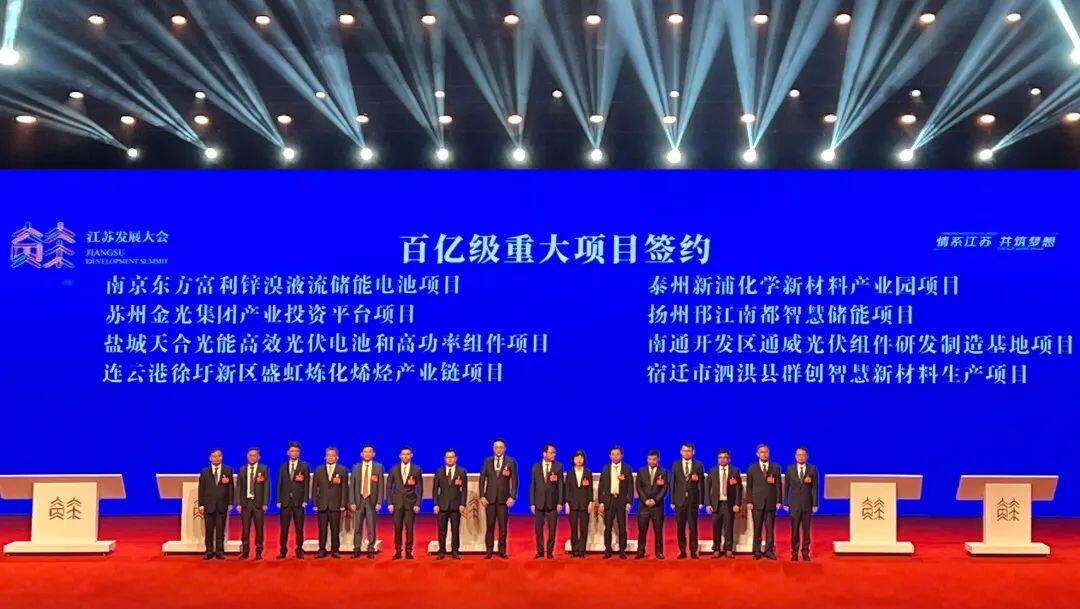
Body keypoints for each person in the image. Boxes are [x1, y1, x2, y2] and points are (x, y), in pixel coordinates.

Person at [479, 438, 517, 559]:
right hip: (489, 499)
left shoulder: (510, 462)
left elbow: (514, 481)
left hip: (503, 500)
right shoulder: (487, 461)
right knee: (489, 526)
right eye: (496, 447)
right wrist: (482, 496)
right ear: (493, 448)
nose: (498, 450)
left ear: (504, 448)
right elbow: (482, 480)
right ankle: (489, 550)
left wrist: (512, 496)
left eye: (501, 447)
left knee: (503, 527)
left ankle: (502, 551)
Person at [746, 443, 783, 560]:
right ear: (757, 454)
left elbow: (778, 486)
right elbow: (749, 487)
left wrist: (778, 500)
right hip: (757, 503)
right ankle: (757, 551)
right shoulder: (752, 468)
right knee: (757, 528)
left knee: (770, 529)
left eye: (766, 452)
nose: (764, 454)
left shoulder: (775, 467)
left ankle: (769, 550)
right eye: (762, 452)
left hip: (771, 503)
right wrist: (749, 501)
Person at [670, 442, 706, 559]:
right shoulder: (675, 465)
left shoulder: (698, 465)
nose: (687, 453)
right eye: (684, 451)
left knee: (693, 528)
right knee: (680, 528)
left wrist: (701, 501)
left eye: (689, 451)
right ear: (681, 452)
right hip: (679, 501)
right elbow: (672, 483)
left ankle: (693, 551)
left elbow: (701, 484)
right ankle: (682, 551)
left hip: (693, 501)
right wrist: (672, 500)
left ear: (693, 452)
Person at [197, 448, 234, 560]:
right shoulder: (204, 471)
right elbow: (201, 489)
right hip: (208, 505)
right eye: (214, 456)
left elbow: (231, 488)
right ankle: (209, 551)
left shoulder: (228, 470)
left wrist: (230, 502)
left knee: (220, 530)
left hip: (222, 505)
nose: (217, 458)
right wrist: (201, 504)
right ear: (210, 458)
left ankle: (219, 551)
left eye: (219, 456)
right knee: (209, 530)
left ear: (221, 457)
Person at [348, 444, 384, 559]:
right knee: (357, 527)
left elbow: (381, 486)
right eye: (365, 452)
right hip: (358, 501)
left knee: (371, 527)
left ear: (373, 454)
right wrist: (352, 502)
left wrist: (379, 501)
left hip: (371, 501)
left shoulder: (378, 467)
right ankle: (357, 548)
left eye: (369, 452)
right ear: (361, 454)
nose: (367, 454)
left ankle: (371, 548)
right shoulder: (356, 467)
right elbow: (352, 486)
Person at [597, 445, 633, 559]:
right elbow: (601, 487)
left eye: (617, 454)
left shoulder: (626, 469)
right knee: (608, 527)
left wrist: (629, 502)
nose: (615, 456)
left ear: (621, 455)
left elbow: (630, 487)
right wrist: (601, 502)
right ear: (609, 456)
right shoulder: (605, 468)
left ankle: (622, 550)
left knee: (622, 526)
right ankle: (608, 550)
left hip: (621, 501)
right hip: (609, 500)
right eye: (613, 454)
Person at [312, 446, 348, 559]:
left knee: (335, 529)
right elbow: (314, 488)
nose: (330, 457)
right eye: (328, 455)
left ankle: (335, 550)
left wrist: (343, 504)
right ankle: (322, 549)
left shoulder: (342, 470)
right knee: (322, 529)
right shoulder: (318, 469)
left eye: (333, 455)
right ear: (325, 457)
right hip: (322, 504)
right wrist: (314, 503)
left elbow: (344, 488)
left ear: (337, 457)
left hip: (336, 505)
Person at [705, 448, 742, 559]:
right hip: (716, 505)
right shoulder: (712, 471)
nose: (722, 459)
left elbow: (738, 489)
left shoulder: (734, 471)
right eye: (720, 457)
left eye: (725, 457)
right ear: (717, 459)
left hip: (729, 504)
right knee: (716, 528)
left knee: (728, 528)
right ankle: (716, 549)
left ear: (729, 459)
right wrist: (708, 504)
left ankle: (728, 549)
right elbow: (707, 489)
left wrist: (737, 503)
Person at [387, 445, 422, 559]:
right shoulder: (393, 469)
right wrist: (390, 503)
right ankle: (398, 550)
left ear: (411, 455)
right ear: (400, 456)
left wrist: (417, 504)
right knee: (398, 528)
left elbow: (420, 488)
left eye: (408, 454)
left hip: (410, 503)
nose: (405, 456)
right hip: (397, 503)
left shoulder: (416, 469)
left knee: (409, 528)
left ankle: (408, 551)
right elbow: (388, 487)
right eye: (403, 454)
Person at [784, 446, 819, 561]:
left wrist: (815, 503)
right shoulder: (790, 469)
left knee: (806, 530)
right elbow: (786, 487)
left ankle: (805, 552)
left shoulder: (812, 469)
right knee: (794, 530)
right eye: (799, 455)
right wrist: (786, 502)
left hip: (807, 504)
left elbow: (815, 488)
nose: (801, 457)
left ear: (807, 456)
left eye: (803, 455)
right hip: (794, 504)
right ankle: (794, 552)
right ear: (795, 456)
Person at [276, 441, 310, 559]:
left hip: (298, 502)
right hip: (285, 501)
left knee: (299, 528)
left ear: (299, 453)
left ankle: (299, 550)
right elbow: (279, 483)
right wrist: (278, 500)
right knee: (284, 528)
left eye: (296, 451)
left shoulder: (304, 466)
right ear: (287, 452)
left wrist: (305, 500)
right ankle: (283, 550)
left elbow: (306, 484)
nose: (294, 453)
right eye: (292, 451)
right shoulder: (282, 466)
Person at [529, 443, 563, 559]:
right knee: (538, 529)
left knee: (552, 529)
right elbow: (532, 485)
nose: (554, 454)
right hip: (538, 502)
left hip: (552, 503)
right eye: (551, 452)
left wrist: (560, 502)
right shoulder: (535, 467)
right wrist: (532, 502)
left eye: (554, 452)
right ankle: (540, 551)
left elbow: (560, 486)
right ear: (544, 453)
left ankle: (549, 551)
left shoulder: (558, 466)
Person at [432, 448, 468, 560]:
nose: (450, 459)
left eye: (452, 457)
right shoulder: (439, 471)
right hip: (442, 506)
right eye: (448, 457)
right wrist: (435, 504)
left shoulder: (461, 471)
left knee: (455, 530)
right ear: (444, 458)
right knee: (441, 530)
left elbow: (464, 490)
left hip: (456, 506)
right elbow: (435, 490)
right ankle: (441, 551)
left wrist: (463, 504)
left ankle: (455, 551)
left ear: (456, 458)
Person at [234, 447, 269, 560]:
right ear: (247, 457)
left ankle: (259, 551)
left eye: (254, 455)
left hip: (258, 503)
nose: (252, 457)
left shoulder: (263, 469)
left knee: (259, 529)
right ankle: (245, 551)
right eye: (250, 455)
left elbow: (266, 487)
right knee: (245, 529)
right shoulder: (242, 469)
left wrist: (265, 502)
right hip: (246, 503)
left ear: (258, 457)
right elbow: (239, 487)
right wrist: (238, 503)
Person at [635, 449, 668, 559]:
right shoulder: (641, 470)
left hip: (657, 506)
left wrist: (655, 500)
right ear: (647, 459)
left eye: (654, 459)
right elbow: (638, 487)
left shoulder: (663, 471)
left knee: (658, 530)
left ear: (658, 459)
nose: (651, 461)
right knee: (642, 530)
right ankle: (640, 551)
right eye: (649, 459)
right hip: (643, 506)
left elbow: (664, 488)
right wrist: (645, 500)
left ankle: (659, 552)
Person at [564, 450, 593, 558]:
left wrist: (590, 502)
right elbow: (567, 489)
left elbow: (590, 489)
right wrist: (567, 503)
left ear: (584, 459)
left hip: (585, 504)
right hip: (573, 504)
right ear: (573, 459)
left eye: (581, 458)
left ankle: (582, 550)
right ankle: (575, 550)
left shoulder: (588, 473)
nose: (579, 460)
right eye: (577, 458)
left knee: (584, 528)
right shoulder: (570, 473)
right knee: (573, 528)